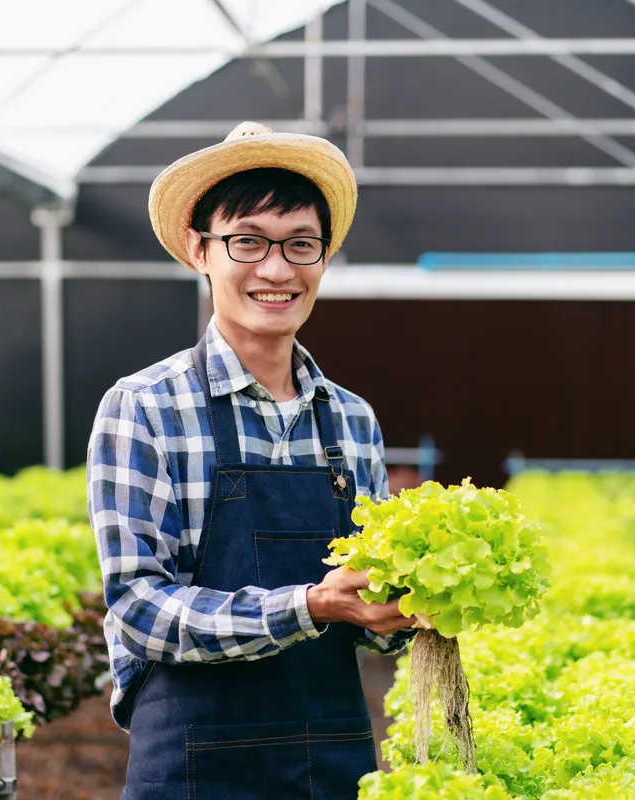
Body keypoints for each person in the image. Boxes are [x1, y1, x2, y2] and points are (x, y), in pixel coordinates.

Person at [86, 121, 417, 800]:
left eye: (301, 244)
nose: (277, 269)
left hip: (329, 759)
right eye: (248, 242)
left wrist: (403, 611)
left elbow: (373, 623)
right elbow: (138, 610)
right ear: (198, 250)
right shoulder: (144, 406)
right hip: (190, 765)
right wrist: (310, 605)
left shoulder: (352, 420)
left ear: (324, 258)